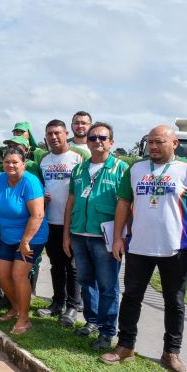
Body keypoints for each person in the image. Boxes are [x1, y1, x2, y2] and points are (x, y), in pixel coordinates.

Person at [100, 125, 187, 372]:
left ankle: (171, 352)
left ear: (174, 144)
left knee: (174, 302)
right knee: (131, 298)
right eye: (150, 142)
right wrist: (118, 238)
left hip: (175, 248)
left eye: (159, 142)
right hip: (139, 247)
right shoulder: (136, 168)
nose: (152, 147)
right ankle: (125, 346)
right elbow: (123, 204)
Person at [64, 122, 128, 349]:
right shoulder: (79, 169)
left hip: (106, 238)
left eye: (102, 137)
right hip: (79, 235)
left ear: (111, 142)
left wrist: (122, 237)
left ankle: (107, 331)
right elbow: (71, 201)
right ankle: (91, 322)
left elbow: (128, 205)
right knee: (86, 281)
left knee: (107, 285)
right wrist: (66, 235)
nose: (97, 141)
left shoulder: (121, 169)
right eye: (92, 138)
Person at [0, 148, 49, 336]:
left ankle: (24, 318)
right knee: (0, 273)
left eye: (15, 162)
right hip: (7, 237)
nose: (11, 165)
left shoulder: (30, 182)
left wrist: (25, 241)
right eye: (7, 161)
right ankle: (15, 307)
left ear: (23, 163)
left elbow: (38, 214)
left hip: (31, 237)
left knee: (18, 275)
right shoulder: (0, 179)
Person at [35, 119, 86, 327]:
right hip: (51, 220)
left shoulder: (79, 157)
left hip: (72, 221)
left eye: (57, 133)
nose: (54, 137)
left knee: (72, 266)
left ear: (66, 133)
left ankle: (73, 306)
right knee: (56, 264)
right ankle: (57, 302)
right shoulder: (44, 160)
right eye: (50, 134)